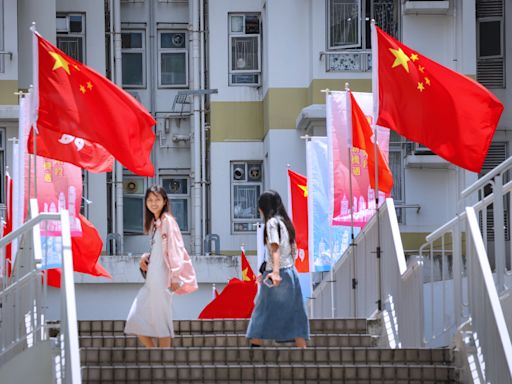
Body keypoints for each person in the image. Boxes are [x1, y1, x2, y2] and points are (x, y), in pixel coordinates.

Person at [124, 185, 198, 348]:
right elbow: (161, 252)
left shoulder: (168, 222)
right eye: (150, 200)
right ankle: (158, 356)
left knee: (162, 323)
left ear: (164, 201)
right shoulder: (157, 224)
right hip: (152, 280)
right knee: (135, 321)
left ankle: (163, 361)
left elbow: (176, 250)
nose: (153, 203)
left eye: (157, 199)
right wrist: (146, 257)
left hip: (162, 280)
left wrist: (176, 277)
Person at [246, 190, 310, 348]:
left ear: (264, 207)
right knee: (296, 311)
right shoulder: (285, 223)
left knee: (262, 309)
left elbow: (275, 248)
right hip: (290, 272)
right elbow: (292, 249)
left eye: (259, 206)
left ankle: (255, 346)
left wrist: (274, 272)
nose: (258, 210)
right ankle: (301, 347)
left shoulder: (272, 223)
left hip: (278, 271)